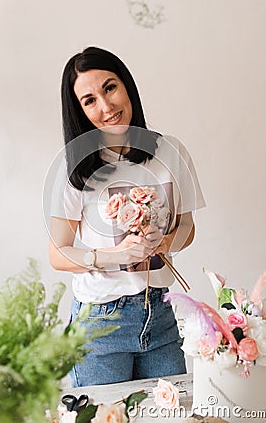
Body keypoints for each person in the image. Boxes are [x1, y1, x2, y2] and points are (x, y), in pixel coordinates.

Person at [49, 46, 205, 387]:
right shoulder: (75, 167)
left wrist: (163, 241)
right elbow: (57, 254)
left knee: (171, 413)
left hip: (160, 317)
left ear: (126, 86)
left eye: (109, 88)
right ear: (79, 110)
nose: (106, 107)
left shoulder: (170, 151)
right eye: (89, 100)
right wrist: (116, 256)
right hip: (100, 324)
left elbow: (187, 227)